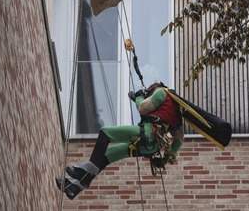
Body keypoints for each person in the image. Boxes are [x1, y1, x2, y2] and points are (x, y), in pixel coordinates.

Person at [56, 82, 184, 200]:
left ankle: (90, 167)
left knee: (105, 132)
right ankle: (74, 187)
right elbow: (179, 138)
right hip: (151, 147)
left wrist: (139, 97)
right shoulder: (176, 113)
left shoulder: (161, 92)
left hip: (147, 132)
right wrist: (164, 159)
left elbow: (143, 108)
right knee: (108, 154)